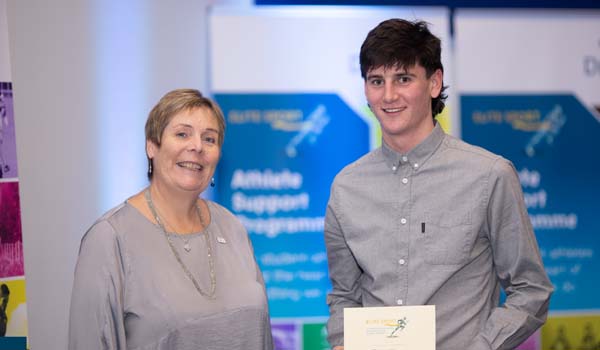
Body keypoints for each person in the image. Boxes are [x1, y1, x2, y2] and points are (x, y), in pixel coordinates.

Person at [324, 19, 553, 350]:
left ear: (434, 83)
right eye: (376, 80)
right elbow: (345, 294)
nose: (388, 95)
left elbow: (531, 288)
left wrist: (484, 346)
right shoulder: (346, 188)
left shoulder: (489, 175)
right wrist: (343, 341)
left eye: (403, 78)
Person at [69, 89, 273, 349]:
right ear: (152, 146)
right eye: (182, 134)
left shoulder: (232, 227)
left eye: (209, 139)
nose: (197, 146)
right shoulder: (109, 238)